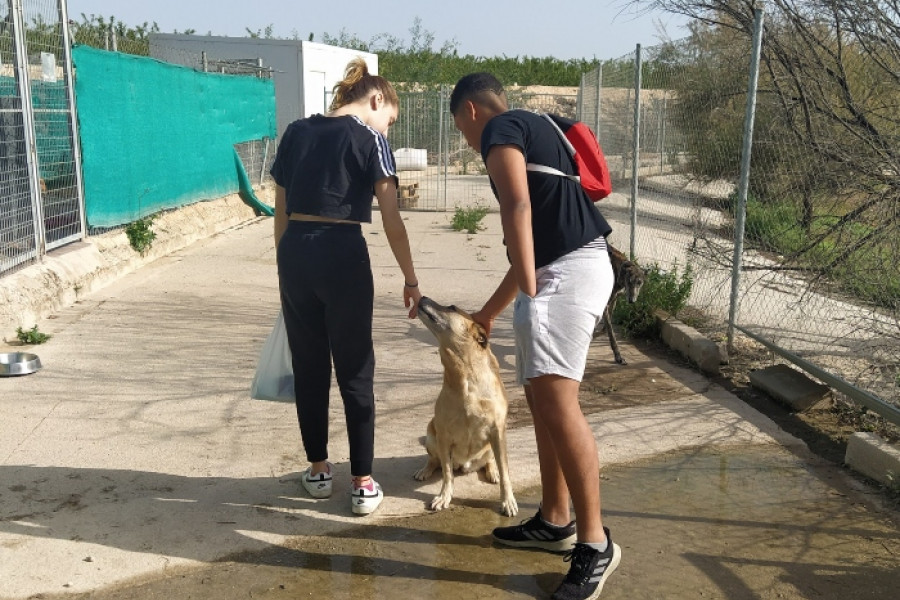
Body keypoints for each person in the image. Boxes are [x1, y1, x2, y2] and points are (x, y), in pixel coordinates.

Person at [449, 72, 621, 599]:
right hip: (569, 268)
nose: (466, 140)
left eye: (461, 129)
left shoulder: (500, 130)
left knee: (558, 403)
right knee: (544, 400)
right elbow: (533, 233)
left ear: (471, 112)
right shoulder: (538, 125)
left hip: (564, 274)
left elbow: (517, 209)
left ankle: (595, 544)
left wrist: (530, 287)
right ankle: (555, 519)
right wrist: (494, 310)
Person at [270, 58, 422, 516]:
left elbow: (280, 210)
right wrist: (411, 279)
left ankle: (318, 471)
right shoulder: (370, 139)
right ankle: (362, 483)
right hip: (343, 254)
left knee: (310, 367)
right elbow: (392, 220)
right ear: (376, 100)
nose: (387, 129)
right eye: (389, 119)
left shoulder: (295, 132)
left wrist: (285, 267)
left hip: (296, 251)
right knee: (355, 370)